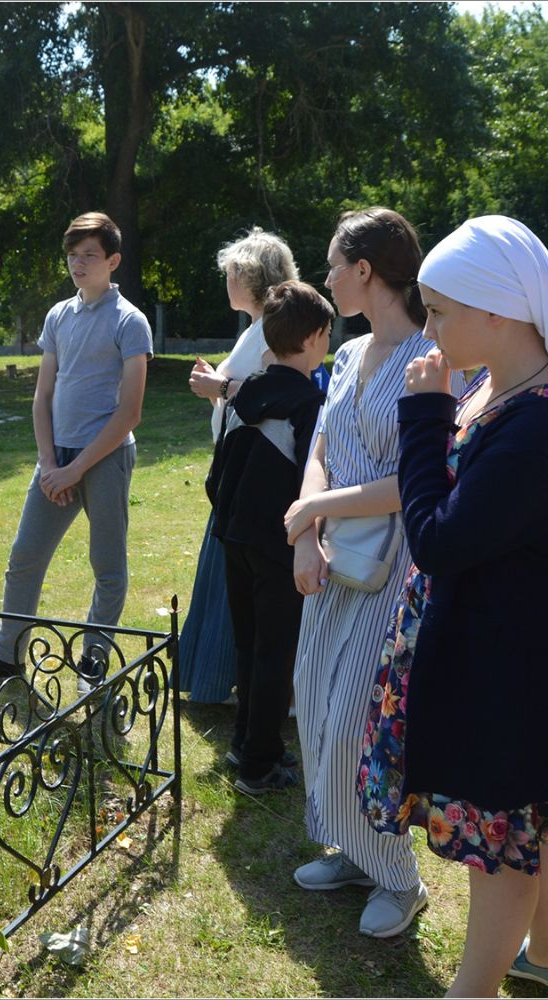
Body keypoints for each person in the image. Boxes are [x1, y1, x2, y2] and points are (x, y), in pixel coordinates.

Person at [356, 215, 548, 996]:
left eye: (439, 312)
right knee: (513, 821)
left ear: (498, 312)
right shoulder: (496, 389)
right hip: (487, 651)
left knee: (498, 847)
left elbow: (438, 540)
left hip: (507, 672)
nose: (429, 329)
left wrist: (422, 416)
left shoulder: (540, 421)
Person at [281, 208, 454, 938]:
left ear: (364, 269)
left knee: (360, 716)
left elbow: (417, 478)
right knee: (314, 698)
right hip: (332, 555)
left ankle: (399, 878)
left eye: (331, 265)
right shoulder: (350, 353)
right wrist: (306, 530)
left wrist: (314, 508)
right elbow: (321, 446)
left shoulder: (433, 357)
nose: (323, 280)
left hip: (395, 565)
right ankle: (351, 849)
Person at [0, 212, 152, 688]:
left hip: (105, 458)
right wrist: (48, 464)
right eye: (72, 255)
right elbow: (42, 396)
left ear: (113, 261)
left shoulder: (130, 321)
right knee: (24, 557)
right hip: (55, 459)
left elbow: (130, 413)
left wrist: (75, 469)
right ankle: (8, 658)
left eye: (90, 255)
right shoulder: (58, 315)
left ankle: (94, 659)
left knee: (107, 565)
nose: (78, 264)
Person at [205, 280, 330, 793]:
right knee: (276, 651)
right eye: (327, 334)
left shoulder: (242, 393)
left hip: (233, 535)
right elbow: (310, 477)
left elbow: (216, 473)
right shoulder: (311, 403)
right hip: (280, 543)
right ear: (315, 338)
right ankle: (260, 763)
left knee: (248, 642)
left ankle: (244, 742)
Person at [181, 228, 301, 705]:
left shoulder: (268, 330)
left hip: (251, 476)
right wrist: (216, 385)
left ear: (252, 276)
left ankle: (230, 682)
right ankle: (226, 680)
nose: (227, 280)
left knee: (235, 586)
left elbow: (266, 398)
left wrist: (217, 387)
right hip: (236, 470)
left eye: (233, 272)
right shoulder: (255, 328)